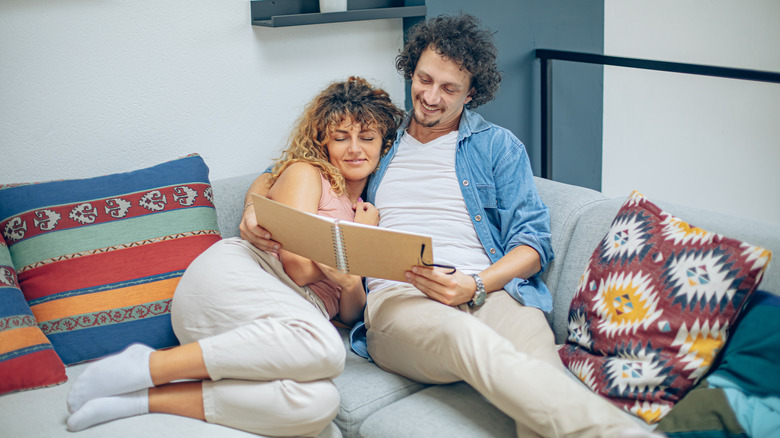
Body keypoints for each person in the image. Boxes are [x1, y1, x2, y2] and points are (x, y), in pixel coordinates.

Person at [243, 15, 662, 438]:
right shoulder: (381, 136)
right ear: (412, 71)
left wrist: (475, 284)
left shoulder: (497, 146)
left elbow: (534, 243)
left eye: (448, 89)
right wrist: (251, 207)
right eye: (424, 79)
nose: (430, 97)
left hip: (491, 291)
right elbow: (291, 164)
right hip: (402, 299)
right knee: (469, 340)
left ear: (471, 93)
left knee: (540, 365)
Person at [64, 76, 405, 437]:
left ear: (383, 145)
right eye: (341, 137)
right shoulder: (307, 174)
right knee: (326, 347)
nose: (355, 149)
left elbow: (349, 313)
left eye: (367, 138)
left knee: (319, 403)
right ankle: (150, 364)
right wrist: (356, 240)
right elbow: (298, 268)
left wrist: (351, 280)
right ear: (323, 142)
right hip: (234, 282)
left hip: (276, 325)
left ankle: (141, 401)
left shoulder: (368, 210)